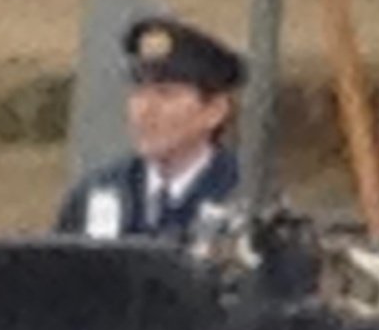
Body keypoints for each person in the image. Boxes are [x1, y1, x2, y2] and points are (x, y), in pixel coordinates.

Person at [57, 17, 246, 245]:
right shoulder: (98, 193)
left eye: (166, 94)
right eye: (139, 93)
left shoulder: (244, 197)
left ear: (215, 111)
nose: (145, 110)